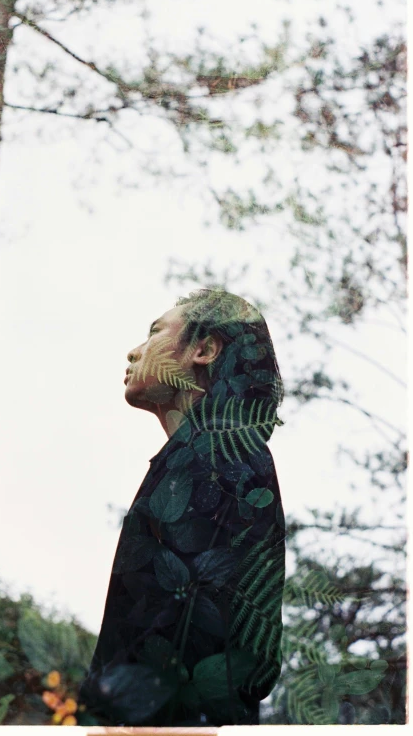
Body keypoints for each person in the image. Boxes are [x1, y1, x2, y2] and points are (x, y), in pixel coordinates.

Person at [78, 288, 286, 726]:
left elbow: (184, 634)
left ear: (204, 350)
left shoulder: (216, 453)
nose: (134, 352)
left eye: (155, 332)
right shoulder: (208, 451)